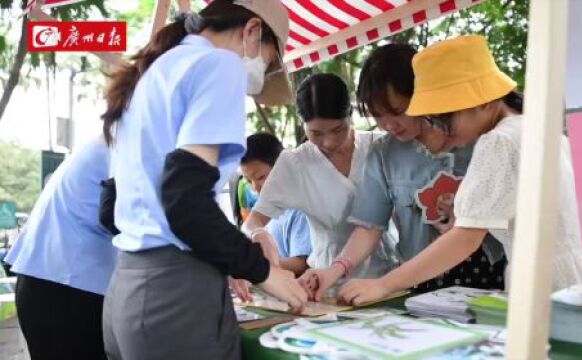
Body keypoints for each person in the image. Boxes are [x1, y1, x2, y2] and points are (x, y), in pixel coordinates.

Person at [334, 35, 582, 305]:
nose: (440, 132)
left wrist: (383, 285)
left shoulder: (497, 142)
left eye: (444, 119)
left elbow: (464, 238)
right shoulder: (534, 127)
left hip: (552, 290)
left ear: (483, 102)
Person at [100, 1, 307, 359]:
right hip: (175, 295)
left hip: (129, 288)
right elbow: (186, 201)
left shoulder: (155, 71)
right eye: (271, 60)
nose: (263, 72)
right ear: (253, 31)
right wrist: (263, 272)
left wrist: (225, 257)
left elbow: (112, 205)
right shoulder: (220, 64)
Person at [300, 44, 506, 301]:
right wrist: (335, 269)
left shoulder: (481, 137)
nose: (388, 124)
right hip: (416, 277)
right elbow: (369, 227)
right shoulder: (383, 153)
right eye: (377, 115)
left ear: (423, 96)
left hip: (488, 270)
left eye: (397, 112)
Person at [242, 73, 398, 295]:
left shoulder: (380, 147)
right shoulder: (295, 163)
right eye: (315, 133)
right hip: (327, 286)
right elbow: (253, 221)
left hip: (390, 279)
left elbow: (372, 227)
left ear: (350, 115)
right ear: (302, 125)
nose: (328, 142)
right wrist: (258, 233)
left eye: (337, 130)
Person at [4, 137, 117, 360]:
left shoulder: (112, 138)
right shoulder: (134, 139)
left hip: (49, 279)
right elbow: (118, 215)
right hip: (70, 289)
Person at [240, 132, 312, 277]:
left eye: (260, 177)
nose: (255, 187)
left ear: (282, 167)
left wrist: (258, 266)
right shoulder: (265, 208)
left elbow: (301, 264)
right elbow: (249, 225)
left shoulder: (300, 210)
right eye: (248, 181)